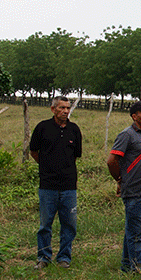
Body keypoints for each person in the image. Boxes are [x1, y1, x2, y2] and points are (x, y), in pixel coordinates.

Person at [29, 96, 83, 269]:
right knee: (45, 224)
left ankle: (64, 257)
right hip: (48, 186)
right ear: (53, 109)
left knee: (69, 224)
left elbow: (75, 155)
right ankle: (44, 257)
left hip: (68, 186)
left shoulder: (74, 130)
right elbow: (34, 151)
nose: (65, 111)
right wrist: (47, 166)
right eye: (61, 108)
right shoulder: (42, 128)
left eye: (67, 108)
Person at [106, 100, 141, 273]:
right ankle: (138, 268)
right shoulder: (126, 135)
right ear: (134, 116)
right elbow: (112, 160)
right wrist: (120, 179)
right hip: (134, 191)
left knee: (136, 231)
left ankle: (127, 265)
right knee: (136, 233)